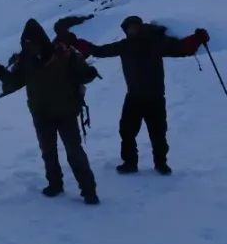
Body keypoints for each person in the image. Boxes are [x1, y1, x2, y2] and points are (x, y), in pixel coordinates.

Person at [0, 19, 101, 204]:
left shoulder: (64, 54)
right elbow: (13, 83)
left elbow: (82, 75)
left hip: (66, 112)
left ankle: (89, 191)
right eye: (27, 43)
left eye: (33, 42)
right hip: (41, 114)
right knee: (48, 151)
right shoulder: (26, 62)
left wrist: (88, 73)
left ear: (42, 41)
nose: (31, 47)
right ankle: (55, 185)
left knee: (74, 151)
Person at [74, 16, 210, 175]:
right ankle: (131, 162)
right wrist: (77, 43)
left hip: (155, 97)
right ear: (125, 30)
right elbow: (99, 51)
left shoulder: (155, 43)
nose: (133, 30)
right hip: (134, 97)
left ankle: (160, 163)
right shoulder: (125, 45)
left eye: (135, 27)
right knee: (127, 132)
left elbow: (180, 48)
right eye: (129, 28)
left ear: (141, 27)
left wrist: (197, 39)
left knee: (158, 133)